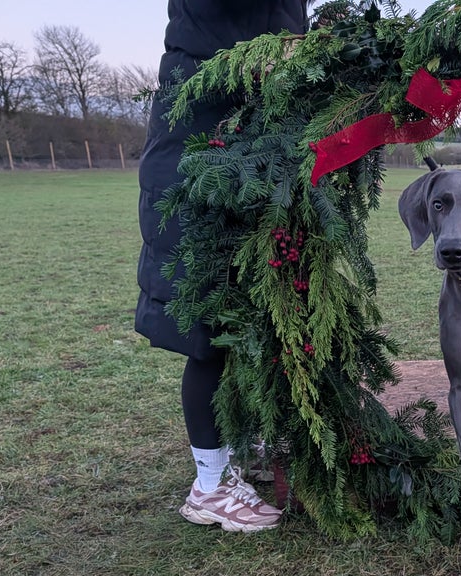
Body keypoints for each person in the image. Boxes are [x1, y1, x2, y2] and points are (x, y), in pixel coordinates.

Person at [135, 1, 308, 531]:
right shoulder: (205, 67)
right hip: (197, 185)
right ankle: (209, 485)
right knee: (208, 337)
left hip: (247, 175)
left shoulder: (256, 57)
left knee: (251, 324)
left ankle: (240, 442)